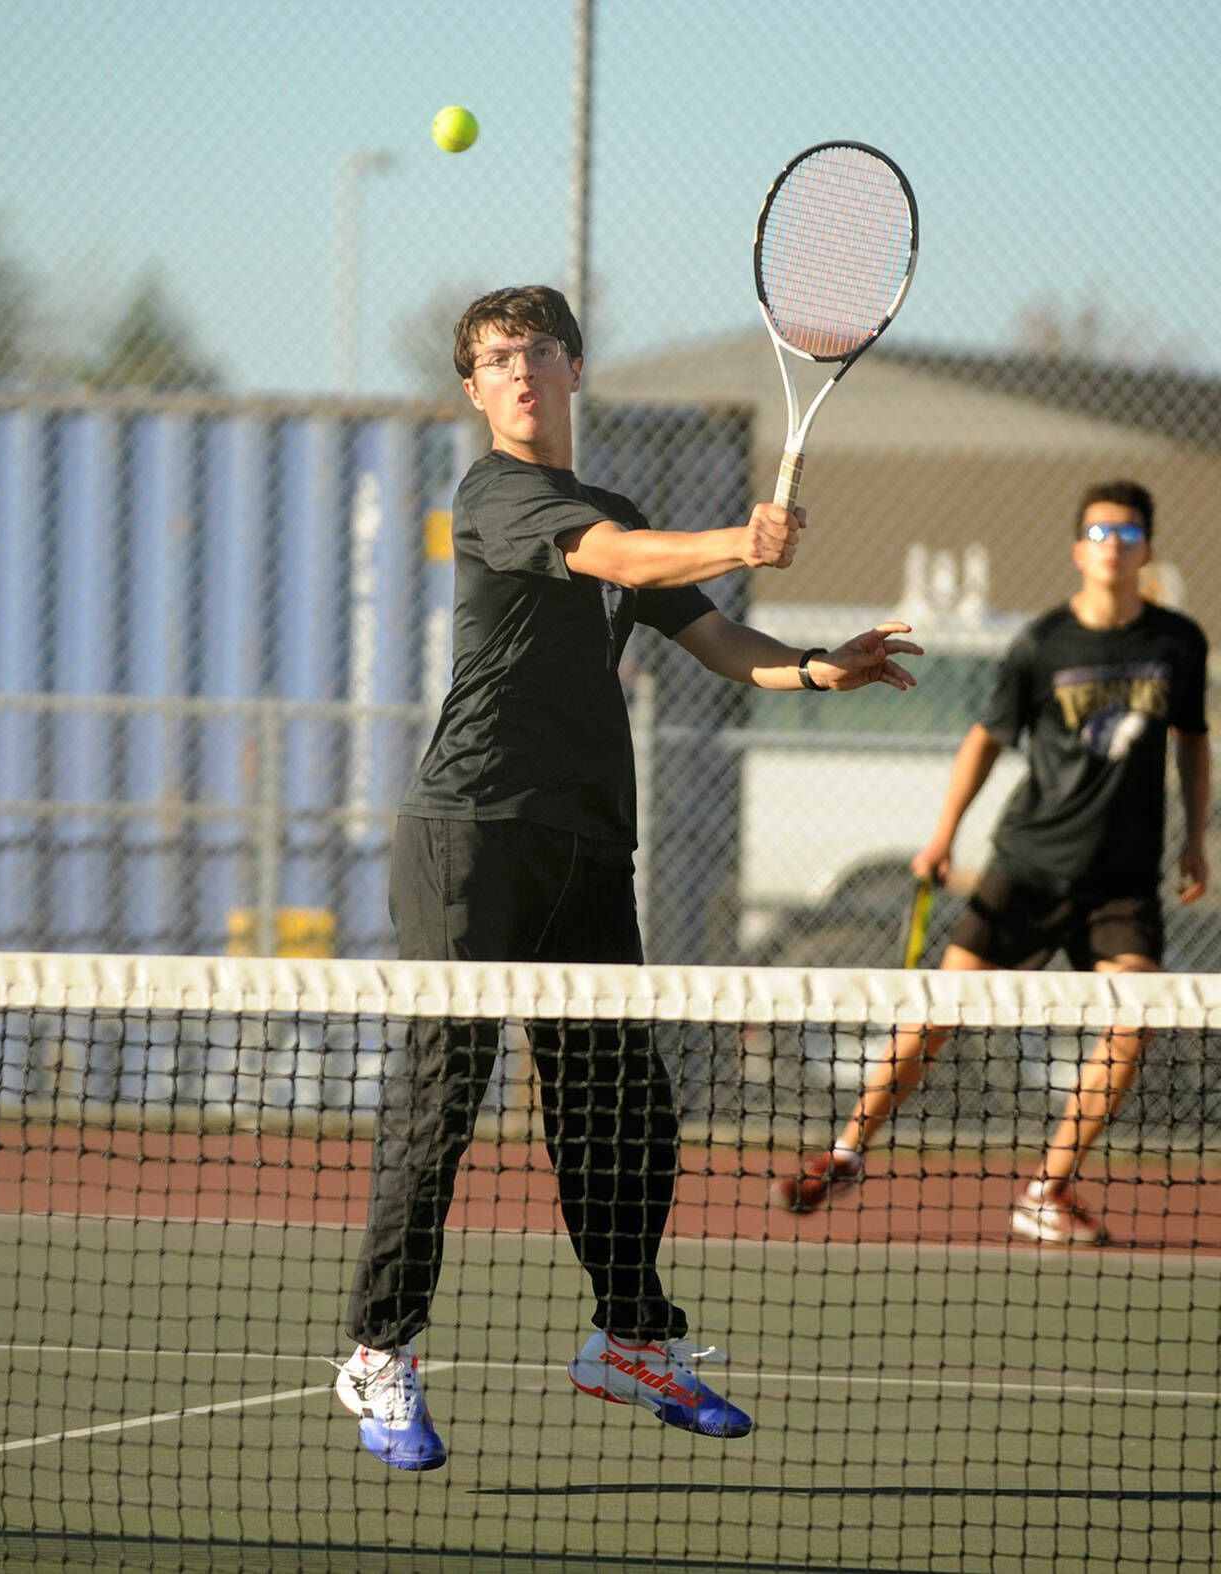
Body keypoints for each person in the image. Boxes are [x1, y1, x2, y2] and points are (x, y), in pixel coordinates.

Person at [334, 283, 923, 1470]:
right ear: (473, 388)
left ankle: (628, 1335)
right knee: (442, 1098)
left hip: (589, 846)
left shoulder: (614, 503)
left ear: (572, 371)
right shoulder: (496, 494)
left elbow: (712, 639)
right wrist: (738, 537)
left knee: (624, 1104)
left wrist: (817, 667)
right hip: (471, 835)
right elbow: (610, 556)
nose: (517, 370)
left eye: (536, 350)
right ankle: (376, 1351)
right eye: (494, 357)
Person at [773, 479, 1210, 1248]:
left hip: (1123, 885)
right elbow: (986, 739)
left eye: (1129, 536)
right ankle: (845, 1153)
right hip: (1029, 867)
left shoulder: (1178, 642)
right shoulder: (1042, 643)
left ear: (1147, 550)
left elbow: (1192, 744)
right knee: (941, 1011)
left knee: (1134, 1021)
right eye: (1101, 535)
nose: (1115, 548)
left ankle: (1047, 1188)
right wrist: (944, 836)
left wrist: (1194, 838)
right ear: (1080, 551)